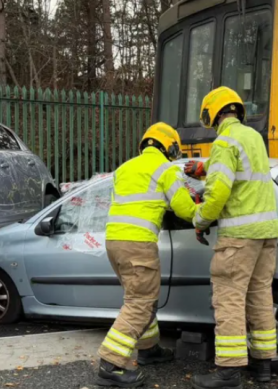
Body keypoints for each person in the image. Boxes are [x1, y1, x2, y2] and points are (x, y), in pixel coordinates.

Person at [184, 86, 278, 389]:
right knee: (260, 298)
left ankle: (228, 373)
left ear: (213, 113)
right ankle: (263, 365)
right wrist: (203, 168)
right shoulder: (254, 138)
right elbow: (241, 175)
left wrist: (199, 219)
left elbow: (220, 191)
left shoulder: (224, 142)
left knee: (228, 300)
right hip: (267, 235)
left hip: (239, 237)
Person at [96, 122, 197, 388]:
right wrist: (207, 210)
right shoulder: (165, 169)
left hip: (114, 242)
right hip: (138, 244)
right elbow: (184, 209)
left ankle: (149, 349)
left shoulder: (124, 168)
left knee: (142, 299)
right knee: (140, 302)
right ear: (170, 146)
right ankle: (111, 365)